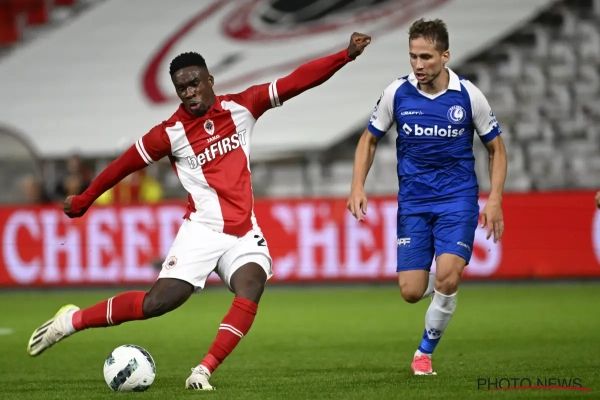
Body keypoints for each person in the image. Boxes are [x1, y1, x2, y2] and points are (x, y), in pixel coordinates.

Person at [27, 32, 371, 390]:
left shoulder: (242, 107)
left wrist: (345, 55)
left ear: (210, 80)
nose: (189, 92)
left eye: (194, 83)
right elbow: (123, 165)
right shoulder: (169, 133)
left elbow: (296, 81)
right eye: (182, 88)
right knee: (156, 304)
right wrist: (85, 198)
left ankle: (202, 371)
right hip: (202, 231)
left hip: (243, 231)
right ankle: (71, 321)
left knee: (251, 285)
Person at [347, 18, 506, 375]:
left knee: (447, 276)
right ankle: (446, 290)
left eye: (426, 57)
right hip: (414, 203)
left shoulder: (468, 96)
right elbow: (368, 139)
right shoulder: (397, 93)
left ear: (445, 56)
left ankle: (424, 352)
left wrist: (494, 198)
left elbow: (497, 149)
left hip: (457, 199)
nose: (418, 65)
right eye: (413, 56)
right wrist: (357, 185)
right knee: (410, 291)